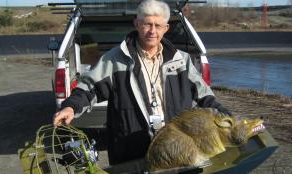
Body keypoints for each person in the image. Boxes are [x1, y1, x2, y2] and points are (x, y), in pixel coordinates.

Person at [53, 0, 231, 165]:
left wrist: (225, 116)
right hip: (130, 149)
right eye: (147, 24)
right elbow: (88, 89)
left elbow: (205, 95)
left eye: (158, 25)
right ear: (136, 24)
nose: (152, 31)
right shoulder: (114, 60)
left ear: (166, 28)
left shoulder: (181, 61)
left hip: (176, 148)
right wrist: (70, 107)